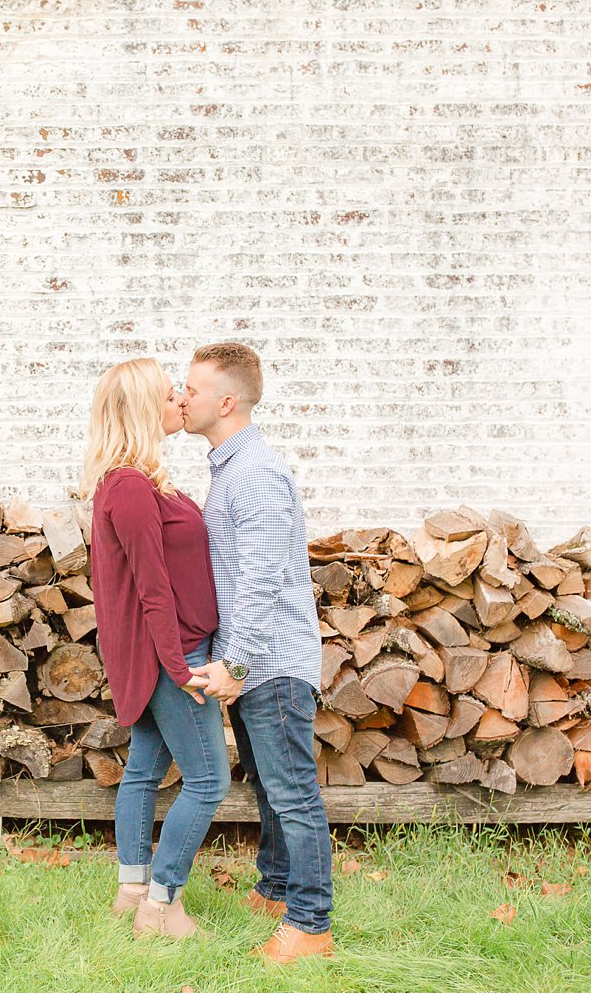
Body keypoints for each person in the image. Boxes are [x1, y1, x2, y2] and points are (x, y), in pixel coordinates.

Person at [179, 341, 336, 964]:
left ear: (225, 401)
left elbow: (265, 578)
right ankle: (275, 892)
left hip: (270, 665)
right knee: (272, 792)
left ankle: (310, 926)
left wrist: (234, 663)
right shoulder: (232, 471)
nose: (181, 398)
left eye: (191, 389)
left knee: (294, 793)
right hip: (255, 665)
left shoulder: (256, 474)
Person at [82, 357, 228, 939]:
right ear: (146, 410)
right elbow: (150, 588)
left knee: (143, 769)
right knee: (209, 780)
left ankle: (132, 890)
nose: (180, 404)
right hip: (174, 655)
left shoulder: (135, 481)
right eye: (170, 397)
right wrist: (181, 668)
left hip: (172, 651)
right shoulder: (131, 488)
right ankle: (162, 907)